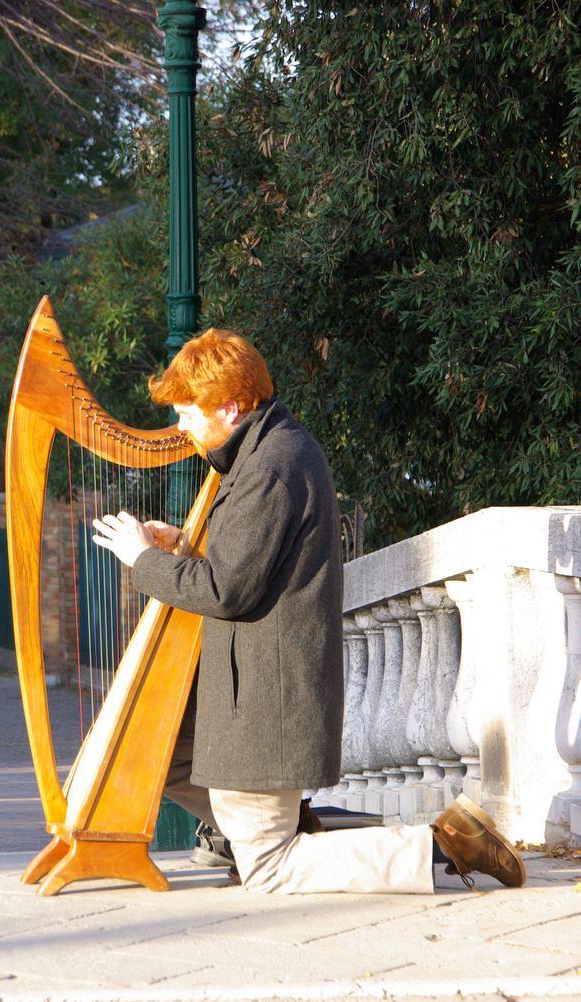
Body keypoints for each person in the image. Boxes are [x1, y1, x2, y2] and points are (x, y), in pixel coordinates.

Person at [93, 328, 525, 895]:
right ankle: (288, 827)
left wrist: (143, 560)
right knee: (164, 750)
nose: (181, 427)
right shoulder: (266, 452)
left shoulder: (271, 466)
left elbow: (227, 590)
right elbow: (253, 565)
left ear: (230, 406)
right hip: (252, 692)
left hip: (268, 702)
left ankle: (444, 842)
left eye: (188, 412)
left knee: (269, 870)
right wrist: (182, 546)